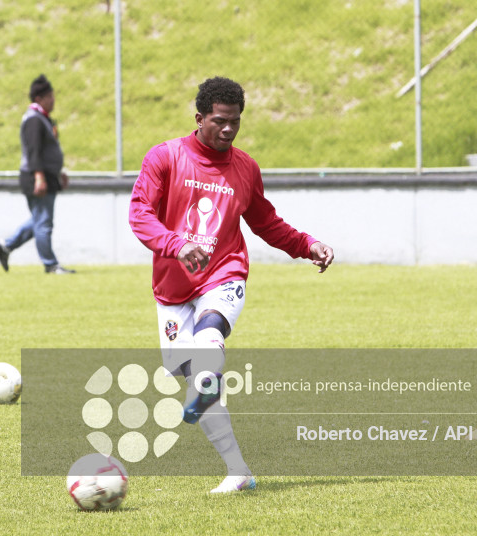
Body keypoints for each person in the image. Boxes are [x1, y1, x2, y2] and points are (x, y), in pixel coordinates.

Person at [129, 76, 334, 493]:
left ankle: (207, 380)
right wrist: (176, 244)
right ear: (199, 118)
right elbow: (140, 213)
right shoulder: (165, 157)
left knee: (210, 336)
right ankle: (238, 472)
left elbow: (265, 222)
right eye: (219, 121)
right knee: (195, 379)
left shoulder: (245, 168)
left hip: (224, 271)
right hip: (172, 287)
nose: (228, 129)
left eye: (235, 121)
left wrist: (306, 244)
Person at [0, 74, 75, 274]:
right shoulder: (34, 121)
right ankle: (50, 264)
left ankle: (6, 246)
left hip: (48, 176)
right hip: (37, 177)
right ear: (39, 99)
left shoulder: (43, 119)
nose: (53, 100)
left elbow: (49, 150)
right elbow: (34, 152)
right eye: (50, 97)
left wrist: (60, 171)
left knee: (39, 220)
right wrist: (39, 177)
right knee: (43, 222)